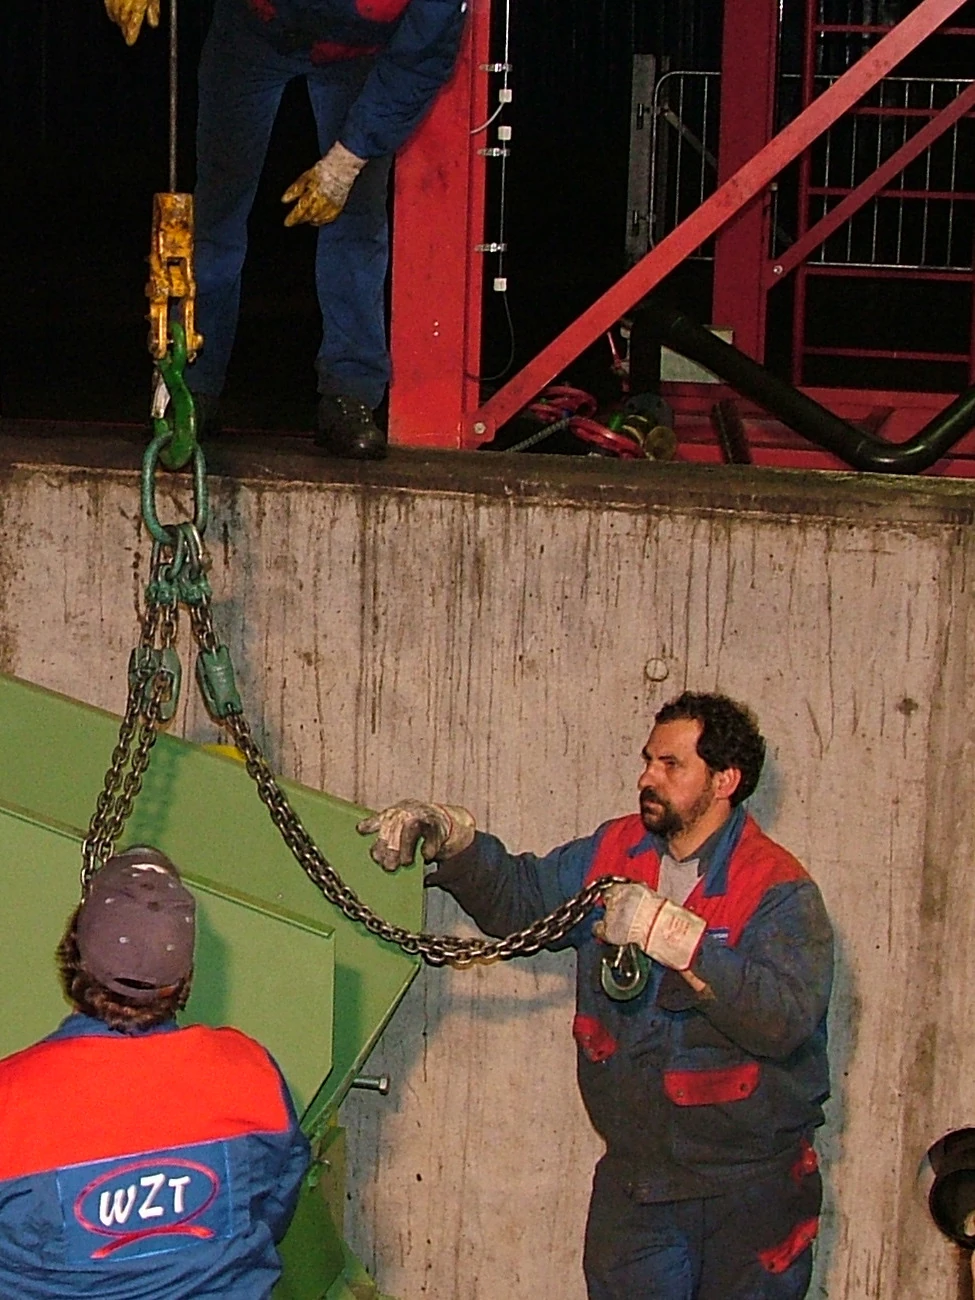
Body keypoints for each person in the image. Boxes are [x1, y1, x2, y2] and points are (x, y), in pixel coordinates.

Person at [357, 691, 834, 1299]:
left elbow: (783, 1020)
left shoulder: (778, 891)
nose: (647, 778)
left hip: (747, 1194)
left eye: (671, 765)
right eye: (648, 761)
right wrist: (454, 843)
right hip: (639, 1188)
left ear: (725, 780)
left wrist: (677, 938)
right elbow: (522, 900)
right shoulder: (617, 852)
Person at [103, 0, 468, 460]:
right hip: (254, 32)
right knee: (218, 211)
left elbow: (423, 55)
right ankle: (190, 384)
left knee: (355, 219)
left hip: (358, 55)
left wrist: (348, 159)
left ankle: (350, 394)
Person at [0, 845, 310, 1297]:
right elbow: (277, 1204)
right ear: (183, 979)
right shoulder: (249, 1072)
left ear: (73, 956)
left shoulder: (10, 1098)